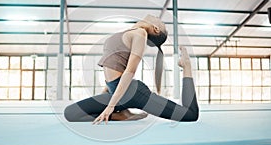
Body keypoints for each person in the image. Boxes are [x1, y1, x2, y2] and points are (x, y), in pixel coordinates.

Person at [64, 15, 199, 124]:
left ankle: (186, 66)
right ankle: (120, 115)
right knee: (70, 113)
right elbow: (113, 67)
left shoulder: (140, 34)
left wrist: (110, 106)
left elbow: (129, 71)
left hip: (134, 94)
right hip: (116, 93)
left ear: (156, 29)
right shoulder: (125, 34)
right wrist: (105, 97)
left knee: (190, 114)